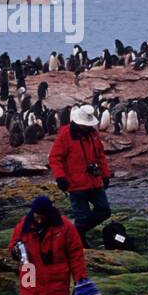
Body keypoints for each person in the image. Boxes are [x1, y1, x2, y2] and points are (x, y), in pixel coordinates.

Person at [47, 105, 111, 246]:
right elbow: (54, 157)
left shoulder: (92, 134)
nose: (87, 126)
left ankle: (75, 232)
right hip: (76, 184)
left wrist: (105, 175)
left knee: (104, 210)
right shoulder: (66, 135)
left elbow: (100, 155)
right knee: (82, 216)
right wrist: (60, 177)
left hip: (94, 181)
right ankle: (79, 242)